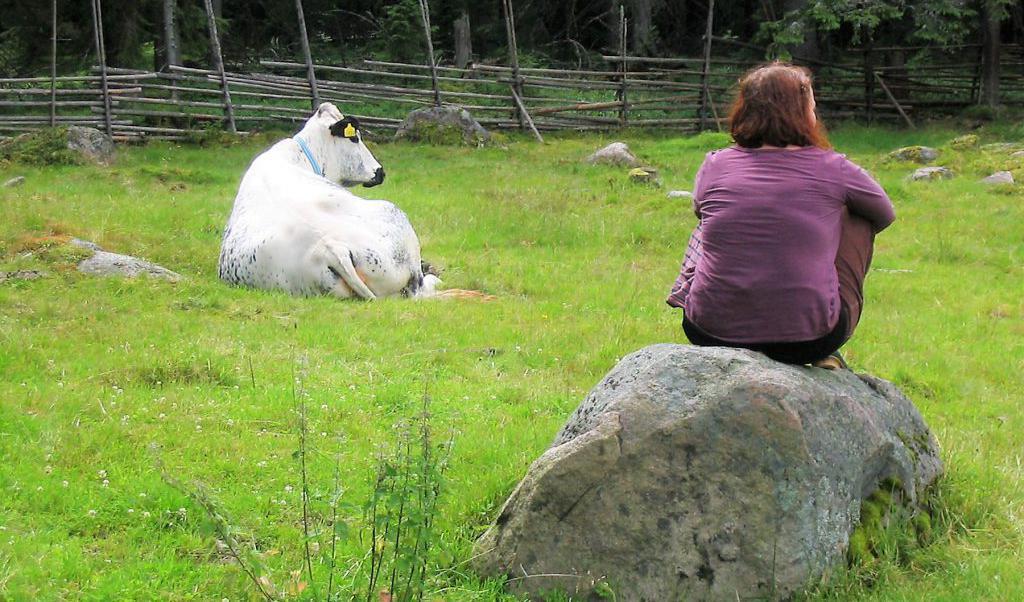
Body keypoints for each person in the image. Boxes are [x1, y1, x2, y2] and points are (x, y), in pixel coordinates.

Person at [667, 62, 895, 369]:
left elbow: (700, 208)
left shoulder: (715, 164)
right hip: (808, 341)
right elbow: (883, 213)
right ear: (802, 114)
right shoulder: (833, 167)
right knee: (858, 217)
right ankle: (816, 327)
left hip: (708, 332)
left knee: (707, 223)